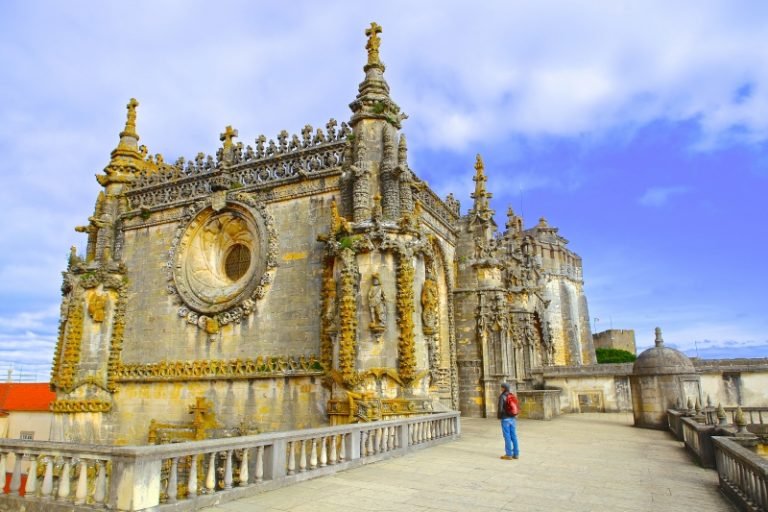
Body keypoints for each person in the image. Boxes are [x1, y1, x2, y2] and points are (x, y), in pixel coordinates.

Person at [498, 382, 520, 460]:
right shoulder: (511, 395)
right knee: (514, 436)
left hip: (505, 419)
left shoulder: (502, 396)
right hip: (513, 418)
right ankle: (516, 454)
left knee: (507, 436)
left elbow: (500, 409)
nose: (501, 388)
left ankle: (508, 454)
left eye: (501, 387)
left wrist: (499, 417)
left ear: (504, 388)